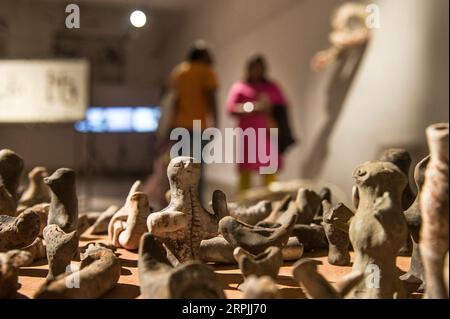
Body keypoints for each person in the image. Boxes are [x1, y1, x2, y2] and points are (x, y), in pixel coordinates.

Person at [226, 55, 291, 191]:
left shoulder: (272, 87)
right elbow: (230, 108)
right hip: (248, 136)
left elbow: (282, 105)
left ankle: (273, 206)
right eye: (253, 68)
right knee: (246, 172)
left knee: (269, 170)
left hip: (267, 134)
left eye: (259, 68)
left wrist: (267, 105)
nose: (256, 71)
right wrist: (252, 107)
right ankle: (241, 206)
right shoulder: (240, 87)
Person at [168, 41, 219, 200]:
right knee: (197, 169)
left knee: (179, 167)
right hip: (198, 127)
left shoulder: (179, 72)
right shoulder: (206, 72)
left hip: (178, 125)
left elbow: (174, 101)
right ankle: (197, 205)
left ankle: (178, 202)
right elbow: (211, 99)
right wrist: (215, 123)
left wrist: (170, 124)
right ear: (202, 56)